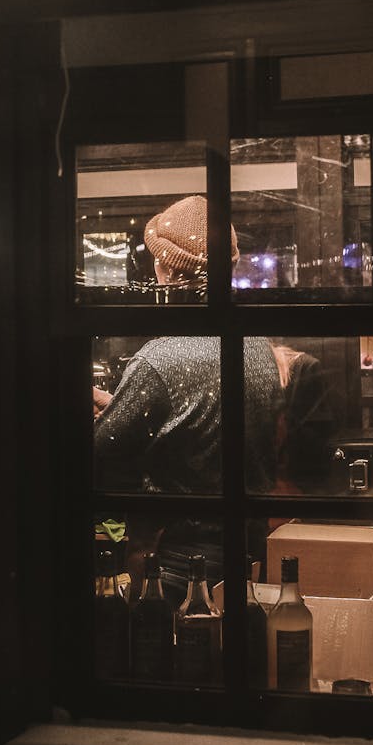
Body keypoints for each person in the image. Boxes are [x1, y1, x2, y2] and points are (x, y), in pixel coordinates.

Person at [92, 194, 282, 607]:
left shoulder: (160, 357)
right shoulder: (257, 346)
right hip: (249, 550)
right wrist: (123, 404)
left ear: (162, 267)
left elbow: (101, 451)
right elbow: (202, 427)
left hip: (178, 561)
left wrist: (102, 414)